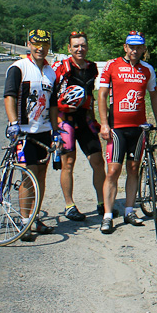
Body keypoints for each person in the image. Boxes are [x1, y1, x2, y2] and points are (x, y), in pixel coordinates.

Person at [96, 31, 157, 234]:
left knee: (133, 169)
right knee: (113, 171)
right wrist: (104, 124)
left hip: (138, 128)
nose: (135, 50)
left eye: (139, 47)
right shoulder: (112, 65)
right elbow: (102, 95)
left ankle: (129, 210)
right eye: (131, 47)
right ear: (125, 47)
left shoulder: (147, 69)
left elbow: (154, 95)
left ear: (144, 49)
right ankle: (107, 215)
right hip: (116, 127)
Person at [3, 29, 57, 239]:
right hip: (24, 133)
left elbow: (53, 104)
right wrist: (13, 123)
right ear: (29, 44)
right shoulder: (18, 68)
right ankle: (25, 221)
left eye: (44, 44)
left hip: (44, 131)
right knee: (28, 175)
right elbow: (9, 96)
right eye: (36, 44)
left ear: (48, 46)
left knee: (41, 176)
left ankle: (34, 217)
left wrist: (56, 130)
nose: (40, 48)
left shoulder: (51, 72)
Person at [51, 31, 107, 222]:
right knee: (68, 163)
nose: (80, 49)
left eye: (83, 45)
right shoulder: (61, 67)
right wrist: (54, 124)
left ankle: (102, 203)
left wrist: (95, 119)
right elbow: (50, 93)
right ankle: (69, 206)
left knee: (98, 161)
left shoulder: (92, 68)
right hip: (64, 119)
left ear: (87, 47)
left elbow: (90, 95)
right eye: (76, 46)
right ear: (69, 48)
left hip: (85, 120)